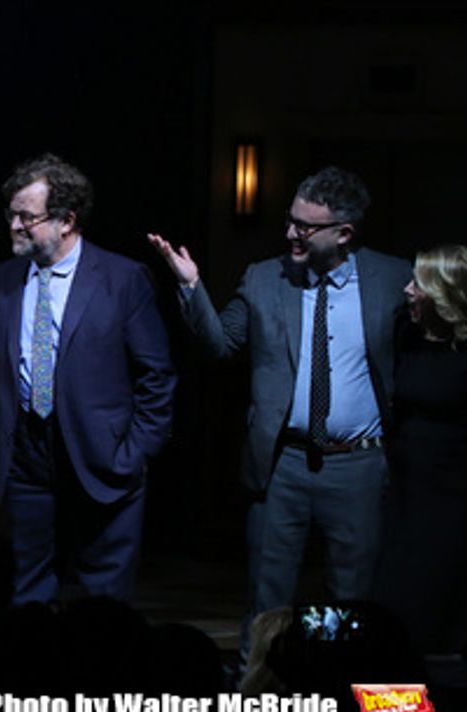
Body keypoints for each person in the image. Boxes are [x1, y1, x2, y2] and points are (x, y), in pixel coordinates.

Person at [147, 165, 412, 663]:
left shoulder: (393, 279)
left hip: (357, 466)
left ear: (344, 234)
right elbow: (219, 343)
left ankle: (346, 700)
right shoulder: (265, 279)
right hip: (282, 466)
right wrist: (190, 286)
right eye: (291, 220)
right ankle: (256, 702)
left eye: (305, 227)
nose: (291, 233)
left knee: (353, 600)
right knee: (268, 599)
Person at [0, 153, 174, 606]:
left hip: (104, 460)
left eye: (27, 216)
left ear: (66, 221)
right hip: (28, 456)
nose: (15, 225)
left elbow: (156, 376)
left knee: (102, 600)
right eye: (12, 214)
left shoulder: (122, 279)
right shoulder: (4, 278)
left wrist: (134, 452)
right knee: (26, 591)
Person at [375, 244, 467, 652]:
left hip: (452, 508)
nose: (408, 290)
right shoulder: (405, 337)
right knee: (393, 615)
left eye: (420, 283)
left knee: (440, 617)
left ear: (445, 292)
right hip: (403, 499)